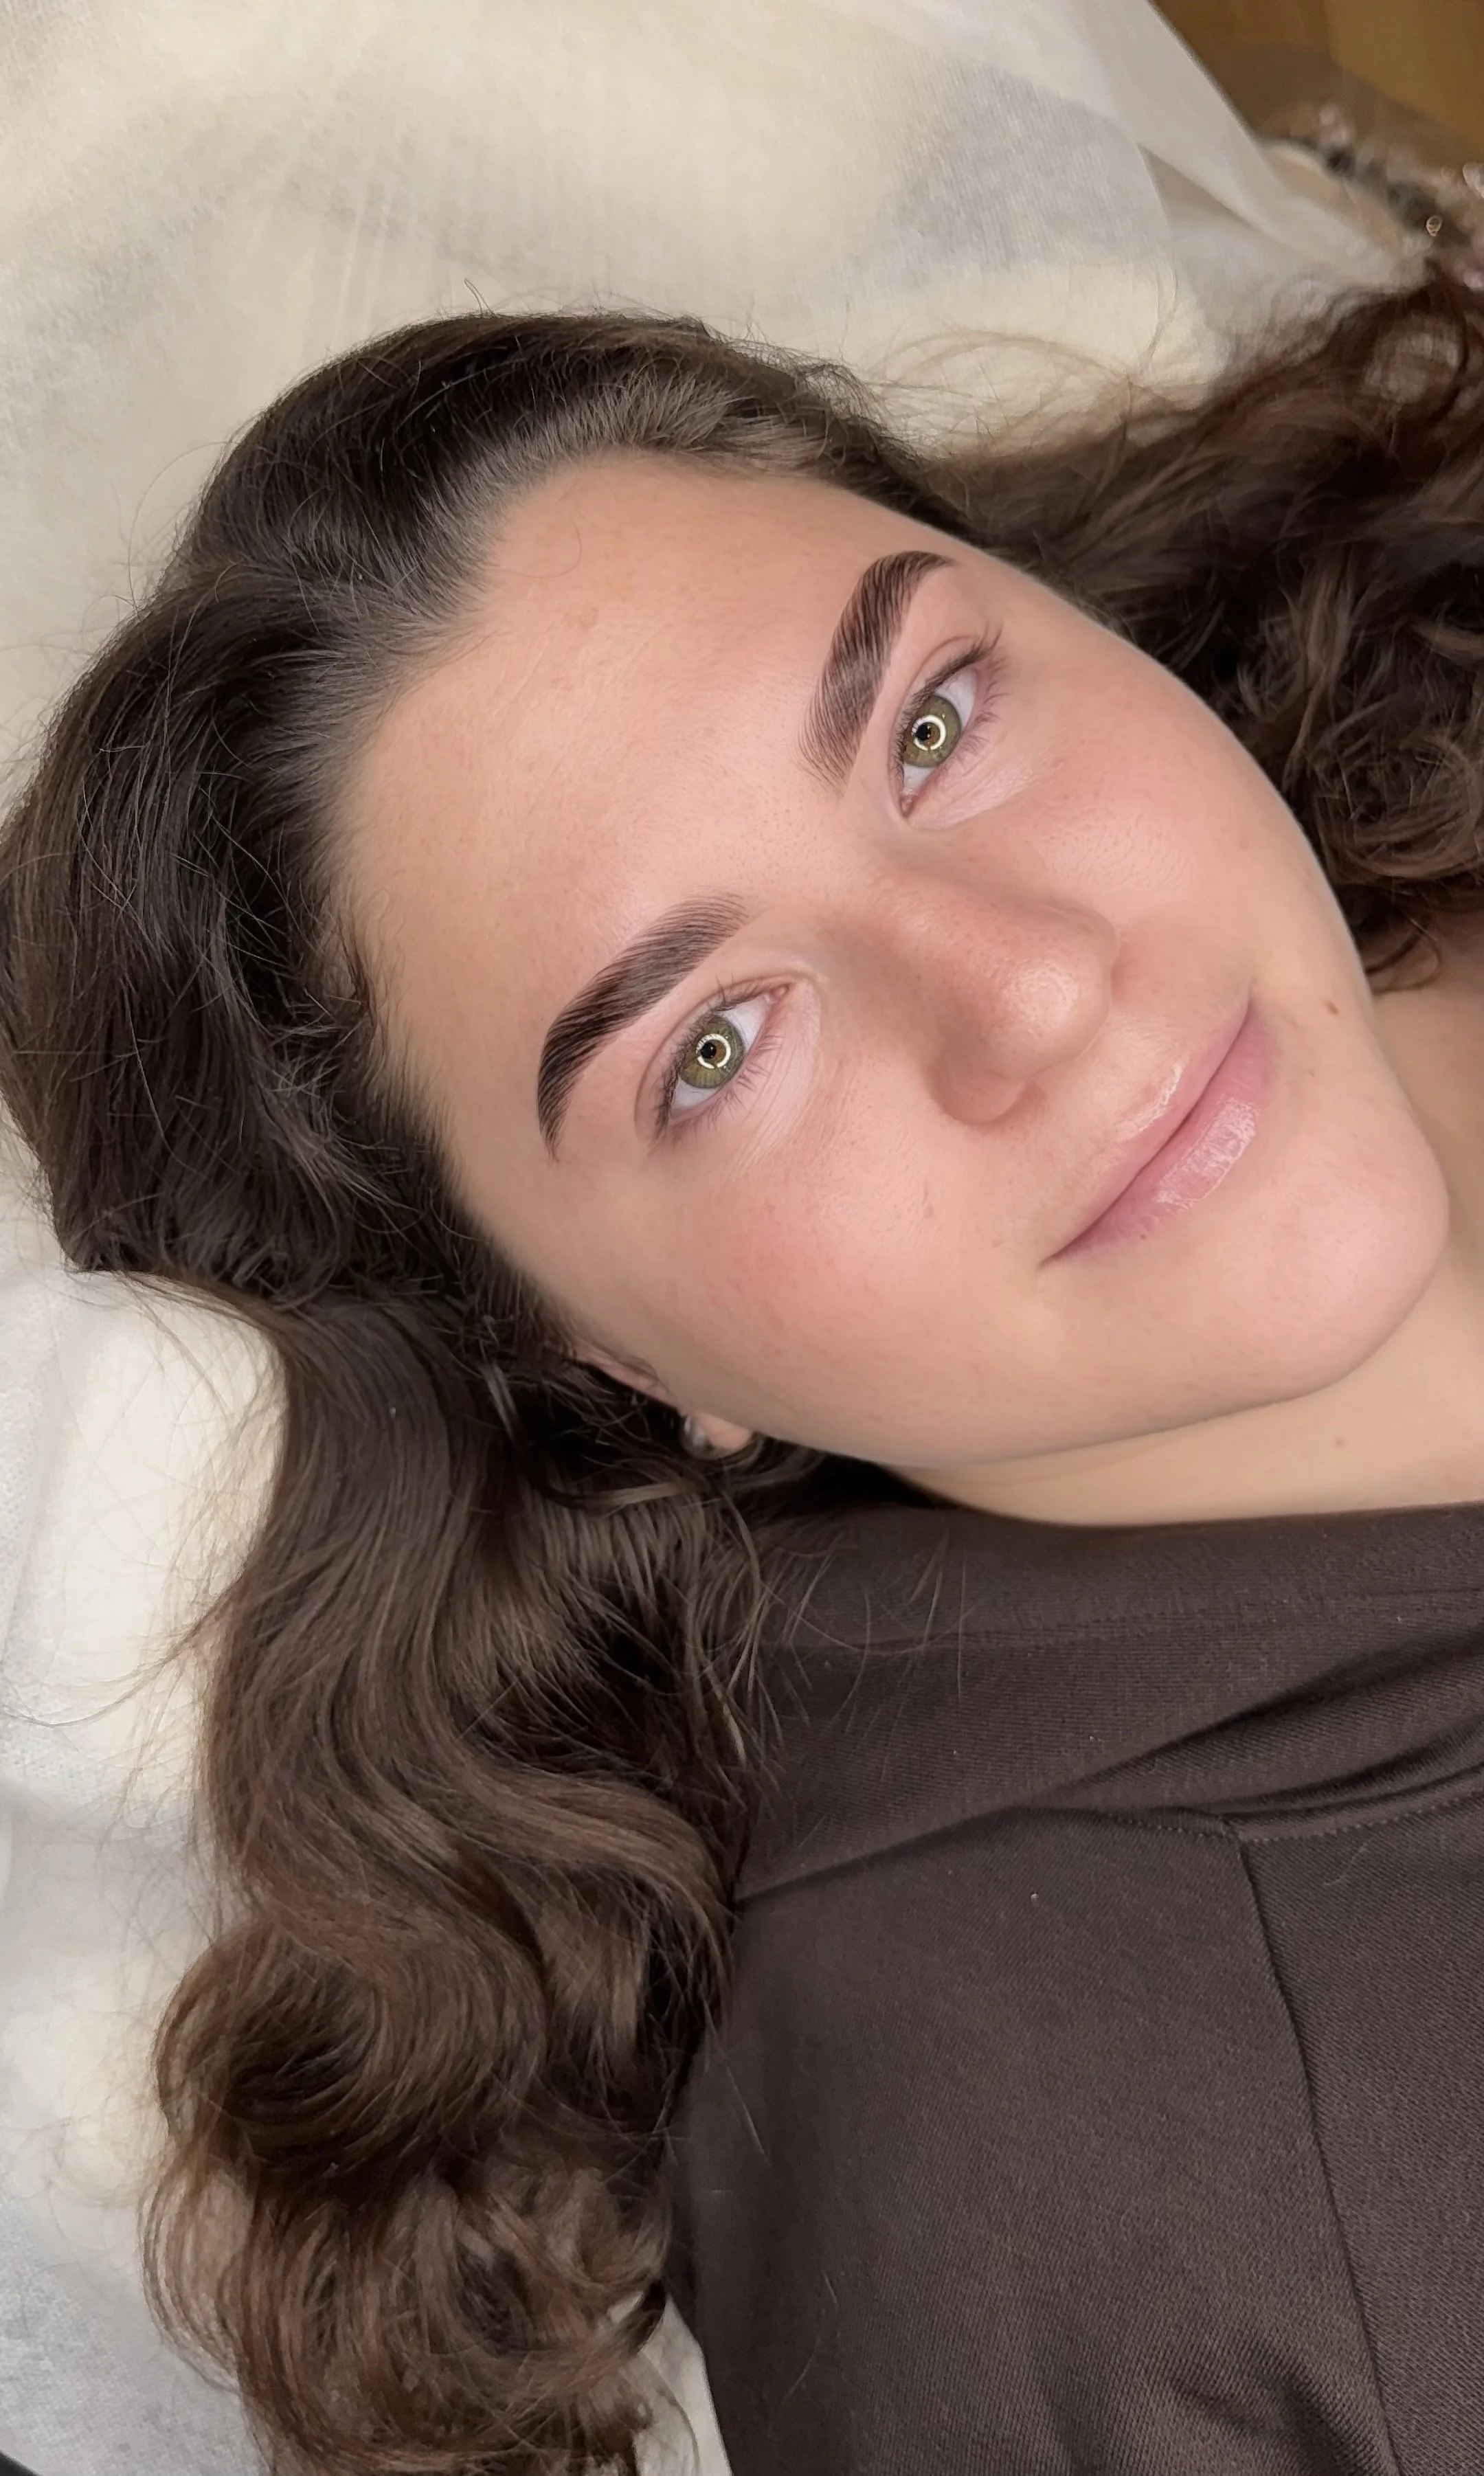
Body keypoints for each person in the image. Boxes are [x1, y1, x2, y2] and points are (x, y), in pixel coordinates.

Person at [2, 265, 1483, 2476]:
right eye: (712, 1048)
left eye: (931, 723)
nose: (1038, 991)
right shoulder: (1102, 2251)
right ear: (596, 1354)